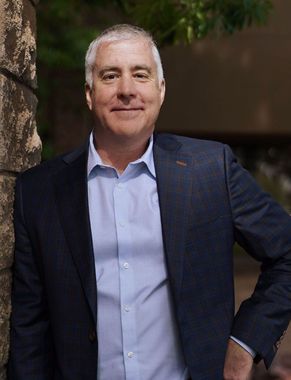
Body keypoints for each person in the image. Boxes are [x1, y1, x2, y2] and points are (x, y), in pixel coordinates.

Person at [8, 24, 291, 380]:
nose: (127, 90)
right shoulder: (39, 192)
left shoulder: (211, 170)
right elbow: (29, 329)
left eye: (140, 74)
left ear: (160, 90)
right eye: (110, 75)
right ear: (89, 93)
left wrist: (245, 342)